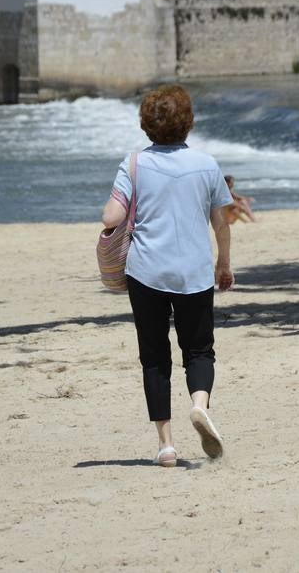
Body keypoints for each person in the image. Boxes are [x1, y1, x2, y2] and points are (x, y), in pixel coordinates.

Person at [102, 85, 234, 468]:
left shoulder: (134, 165)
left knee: (155, 357)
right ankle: (199, 405)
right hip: (193, 271)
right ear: (188, 124)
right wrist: (223, 264)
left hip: (146, 272)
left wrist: (119, 209)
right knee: (198, 349)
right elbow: (221, 223)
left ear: (146, 126)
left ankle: (166, 446)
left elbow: (111, 218)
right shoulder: (207, 165)